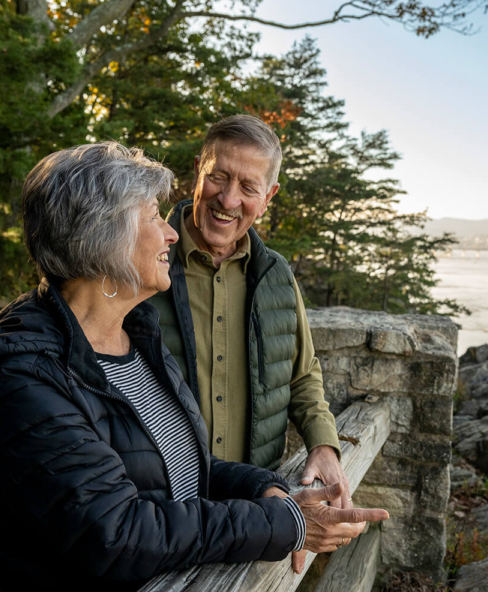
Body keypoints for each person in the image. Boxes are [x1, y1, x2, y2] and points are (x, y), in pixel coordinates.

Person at [0, 142, 388, 592]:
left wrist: (264, 488)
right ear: (103, 237)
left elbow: (177, 467)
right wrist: (284, 521)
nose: (171, 232)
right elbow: (118, 530)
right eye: (154, 216)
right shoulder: (23, 378)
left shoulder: (136, 336)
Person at [149, 116, 350, 527]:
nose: (228, 199)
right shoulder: (142, 261)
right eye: (219, 177)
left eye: (248, 187)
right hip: (160, 506)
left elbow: (302, 376)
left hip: (255, 503)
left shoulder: (277, 275)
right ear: (197, 172)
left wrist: (324, 444)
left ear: (269, 195)